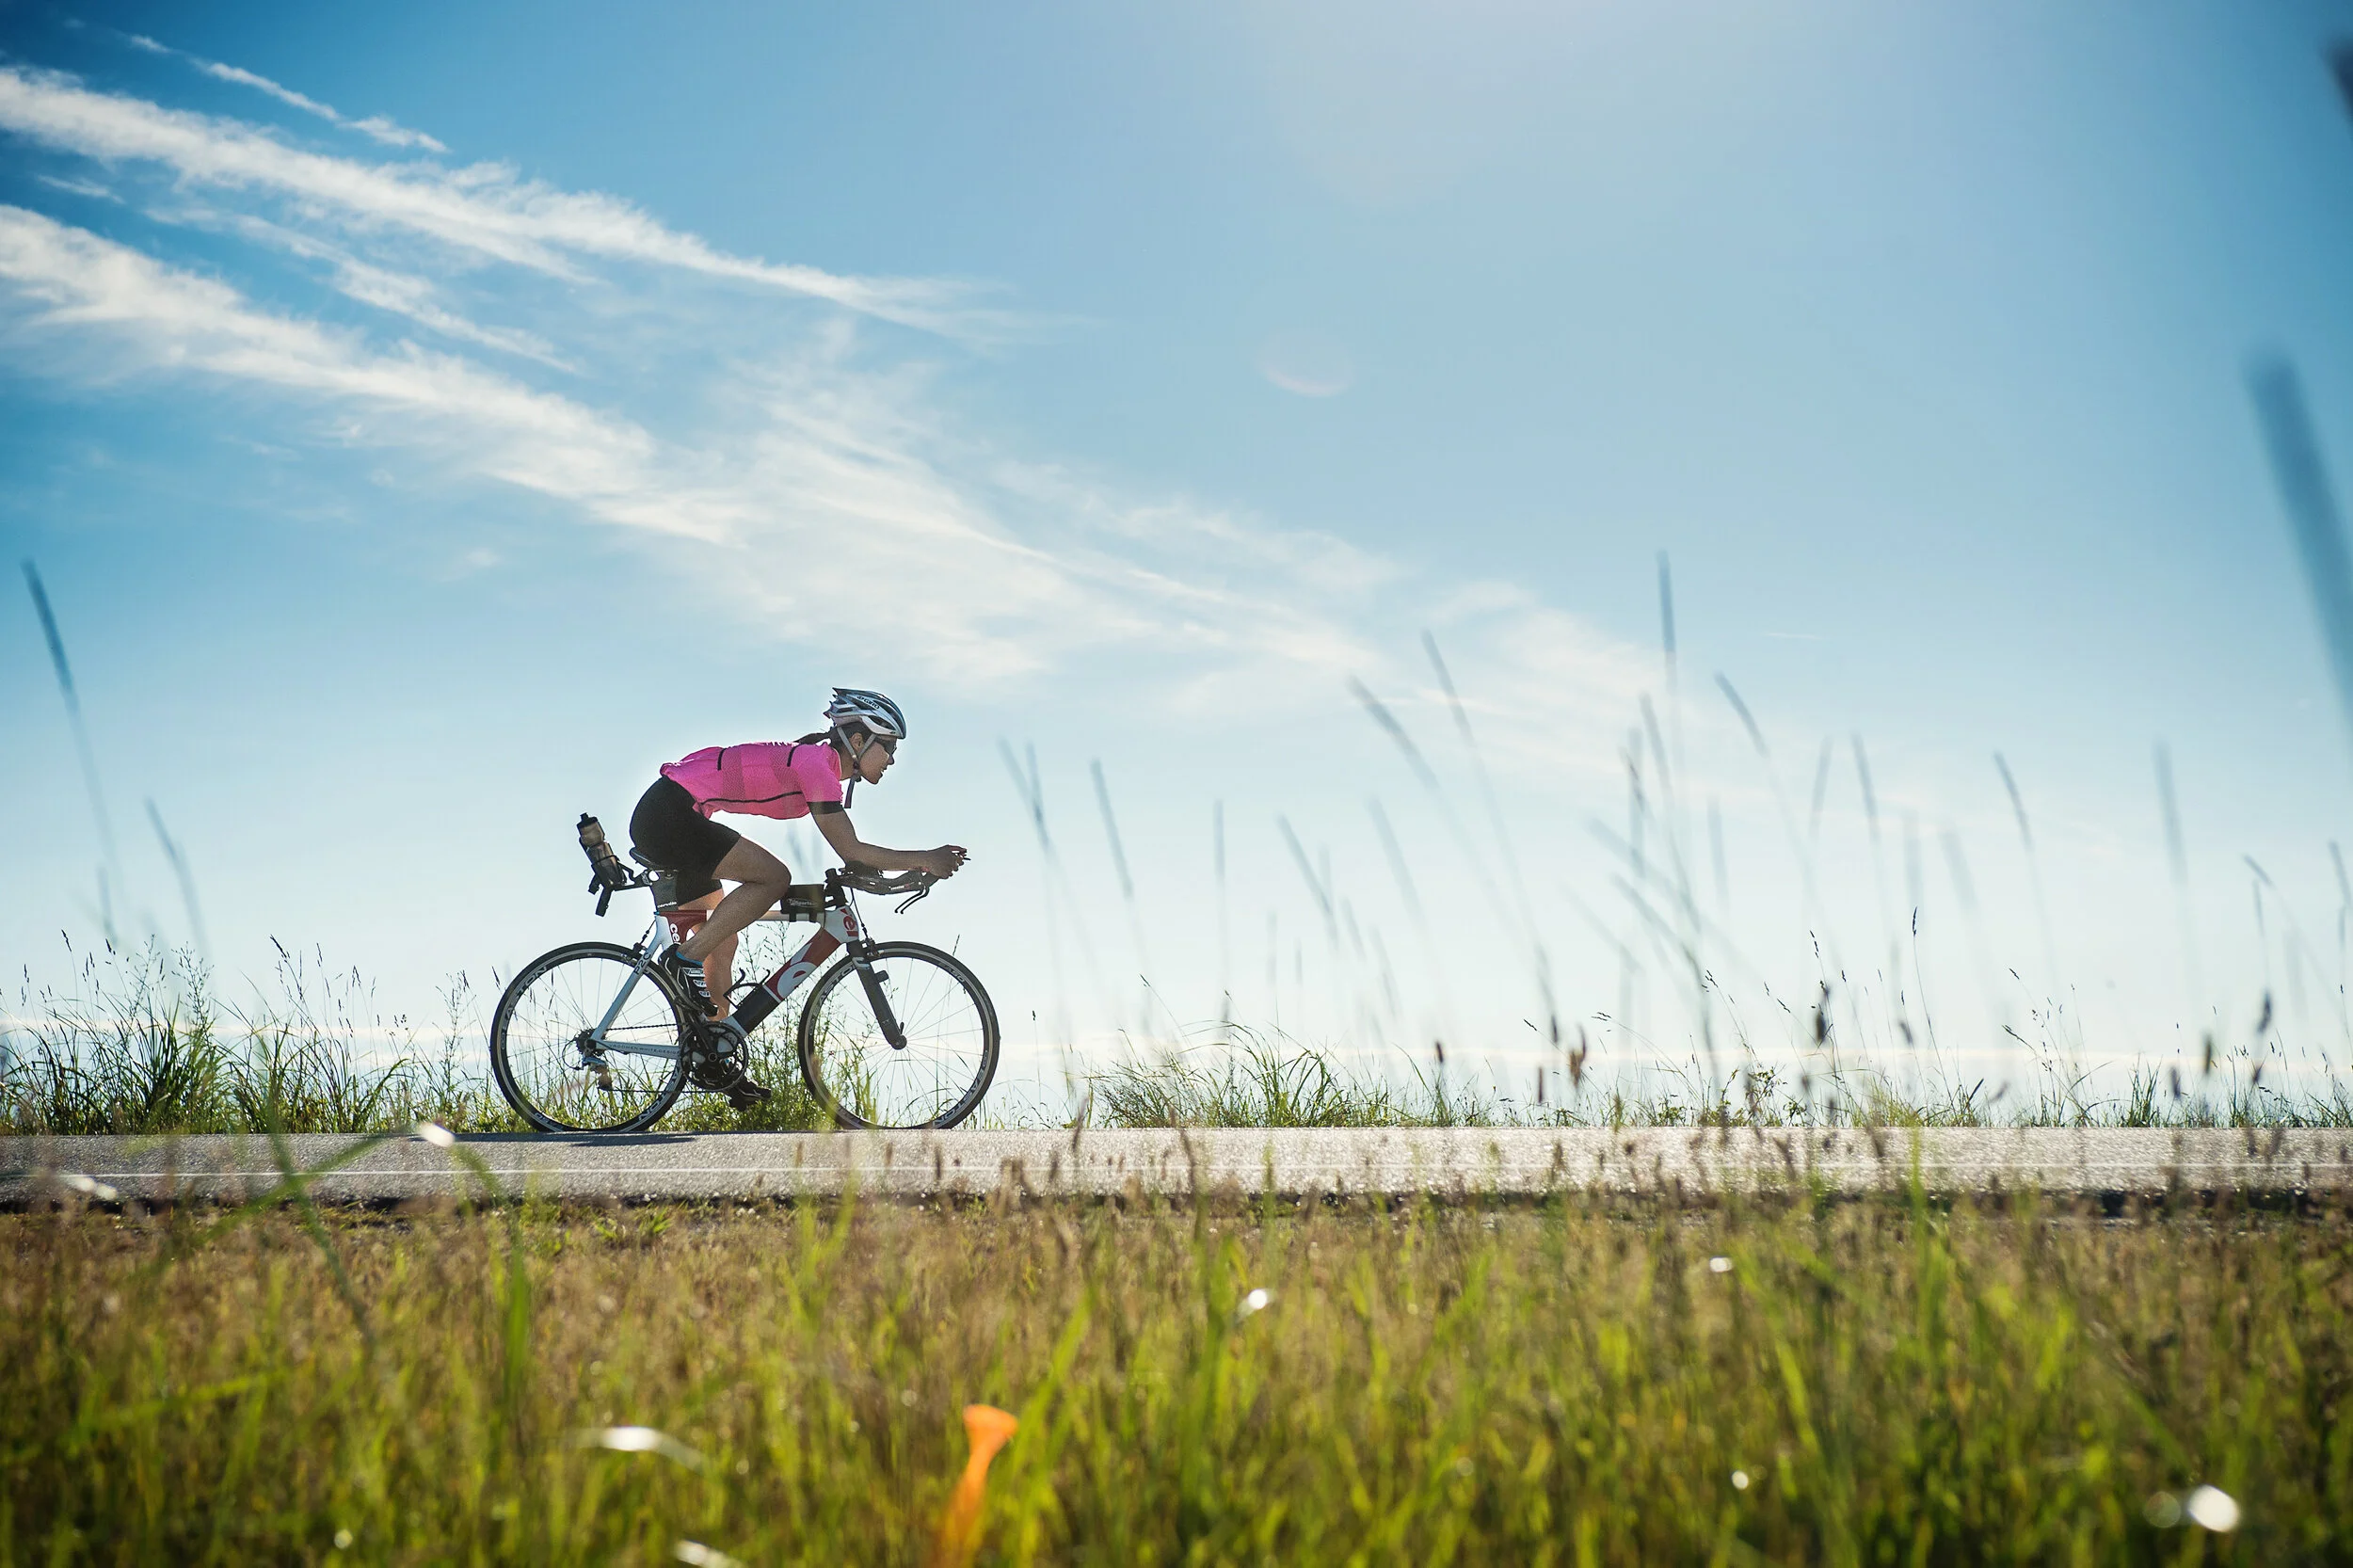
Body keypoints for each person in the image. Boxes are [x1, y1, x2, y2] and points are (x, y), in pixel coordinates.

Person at [627, 688, 968, 1106]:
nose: (893, 759)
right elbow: (852, 849)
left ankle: (714, 1055)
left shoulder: (819, 765)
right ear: (858, 741)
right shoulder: (817, 766)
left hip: (674, 813)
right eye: (889, 747)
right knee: (773, 878)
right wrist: (926, 858)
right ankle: (683, 960)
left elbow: (854, 855)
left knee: (722, 939)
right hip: (670, 816)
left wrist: (897, 871)